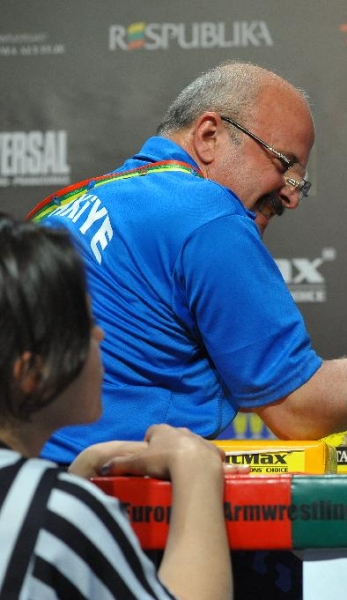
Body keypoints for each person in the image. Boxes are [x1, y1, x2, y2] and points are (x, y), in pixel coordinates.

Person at [30, 61, 347, 466]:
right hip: (121, 506)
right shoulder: (204, 212)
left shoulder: (71, 203)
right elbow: (298, 407)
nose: (292, 195)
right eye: (284, 163)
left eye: (302, 179)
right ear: (210, 135)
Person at [0, 214, 237, 599]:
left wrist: (81, 471)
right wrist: (195, 466)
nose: (101, 334)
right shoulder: (61, 515)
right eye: (86, 324)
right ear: (31, 372)